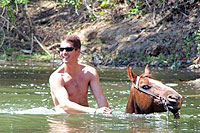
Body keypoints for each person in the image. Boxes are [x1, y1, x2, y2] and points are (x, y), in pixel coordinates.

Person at [49, 34, 112, 114]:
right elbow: (65, 105)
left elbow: (100, 97)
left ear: (78, 51)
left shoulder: (90, 72)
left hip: (85, 118)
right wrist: (95, 111)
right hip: (63, 121)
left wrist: (106, 112)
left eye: (68, 49)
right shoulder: (56, 77)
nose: (64, 53)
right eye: (61, 49)